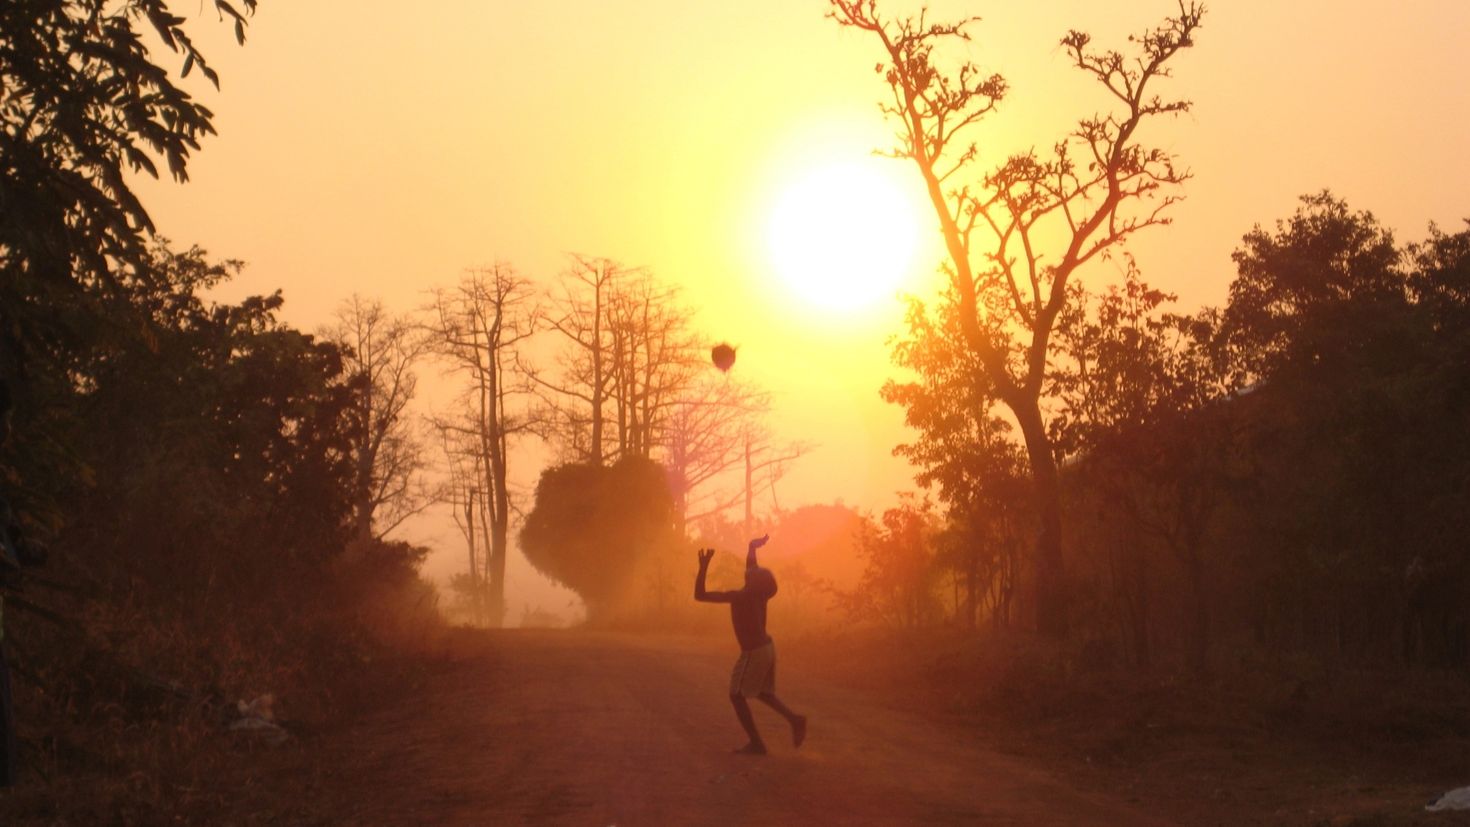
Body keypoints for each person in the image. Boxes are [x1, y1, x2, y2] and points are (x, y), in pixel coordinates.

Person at [694, 534, 807, 756]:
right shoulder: (759, 595)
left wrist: (704, 566)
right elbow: (752, 567)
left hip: (754, 652)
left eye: (752, 574)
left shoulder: (740, 596)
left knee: (736, 695)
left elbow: (700, 595)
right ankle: (795, 719)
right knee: (762, 692)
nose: (749, 571)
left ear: (752, 582)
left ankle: (757, 743)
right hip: (767, 648)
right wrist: (751, 548)